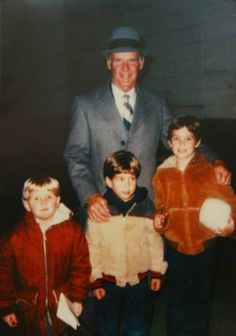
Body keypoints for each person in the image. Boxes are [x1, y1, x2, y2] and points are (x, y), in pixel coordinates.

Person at [64, 26, 231, 224]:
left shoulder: (157, 103)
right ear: (108, 62)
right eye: (118, 60)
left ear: (141, 63)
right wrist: (89, 196)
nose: (125, 68)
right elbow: (75, 155)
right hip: (102, 212)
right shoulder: (85, 104)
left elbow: (183, 139)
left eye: (132, 60)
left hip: (146, 211)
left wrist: (215, 161)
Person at [152, 115, 236, 336]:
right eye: (176, 138)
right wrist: (160, 223)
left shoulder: (210, 171)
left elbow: (230, 202)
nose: (181, 144)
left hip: (205, 247)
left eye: (188, 138)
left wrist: (231, 227)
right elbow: (160, 207)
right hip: (175, 247)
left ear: (198, 142)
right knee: (177, 297)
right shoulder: (161, 174)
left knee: (201, 296)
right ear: (168, 142)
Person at [85, 150, 168, 336]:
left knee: (137, 325)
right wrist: (95, 279)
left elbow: (154, 241)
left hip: (138, 279)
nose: (127, 185)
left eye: (131, 178)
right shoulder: (101, 210)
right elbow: (93, 247)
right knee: (107, 325)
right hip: (108, 280)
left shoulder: (145, 206)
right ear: (108, 181)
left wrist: (156, 272)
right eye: (120, 179)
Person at [0, 176, 91, 336]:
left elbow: (81, 268)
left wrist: (77, 298)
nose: (43, 202)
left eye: (49, 197)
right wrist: (6, 307)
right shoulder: (14, 238)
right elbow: (4, 275)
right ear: (27, 204)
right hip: (28, 309)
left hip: (62, 304)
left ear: (57, 201)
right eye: (36, 198)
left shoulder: (73, 232)